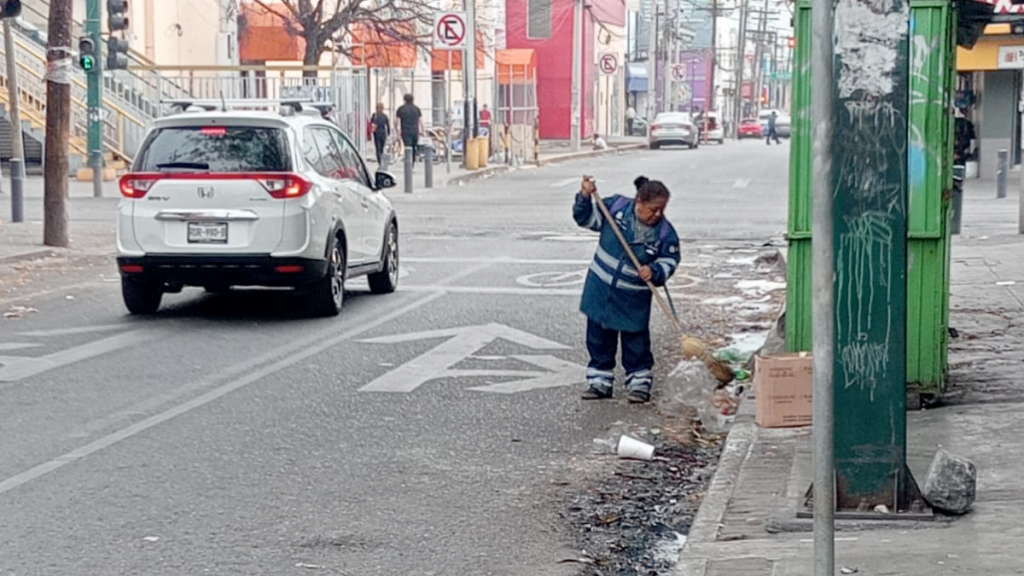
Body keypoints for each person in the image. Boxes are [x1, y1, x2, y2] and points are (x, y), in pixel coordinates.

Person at [573, 175, 681, 403]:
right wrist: (584, 196)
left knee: (636, 342)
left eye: (662, 209)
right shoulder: (615, 209)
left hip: (633, 297)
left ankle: (639, 383)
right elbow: (584, 218)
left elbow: (670, 259)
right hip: (601, 289)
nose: (658, 215)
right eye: (653, 209)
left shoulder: (664, 234)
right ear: (638, 203)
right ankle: (599, 381)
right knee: (599, 338)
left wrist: (655, 271)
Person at [395, 94, 424, 162]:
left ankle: (408, 162)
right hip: (415, 131)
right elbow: (421, 121)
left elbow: (396, 121)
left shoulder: (401, 109)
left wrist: (397, 130)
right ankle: (412, 162)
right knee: (414, 147)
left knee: (408, 147)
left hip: (405, 131)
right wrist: (423, 131)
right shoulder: (417, 109)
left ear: (404, 100)